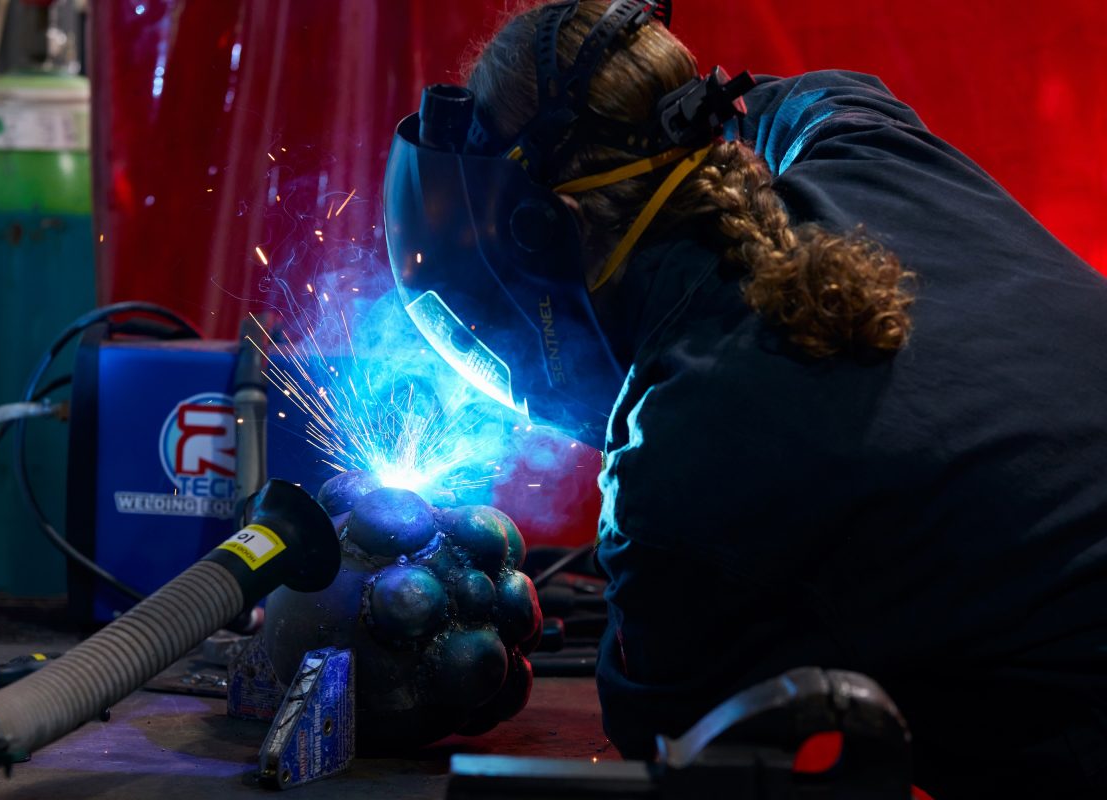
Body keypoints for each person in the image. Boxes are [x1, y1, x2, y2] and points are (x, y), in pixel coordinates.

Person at [383, 1, 1107, 796]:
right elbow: (797, 98)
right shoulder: (862, 142)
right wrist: (654, 105)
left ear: (548, 233)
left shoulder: (681, 455)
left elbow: (672, 741)